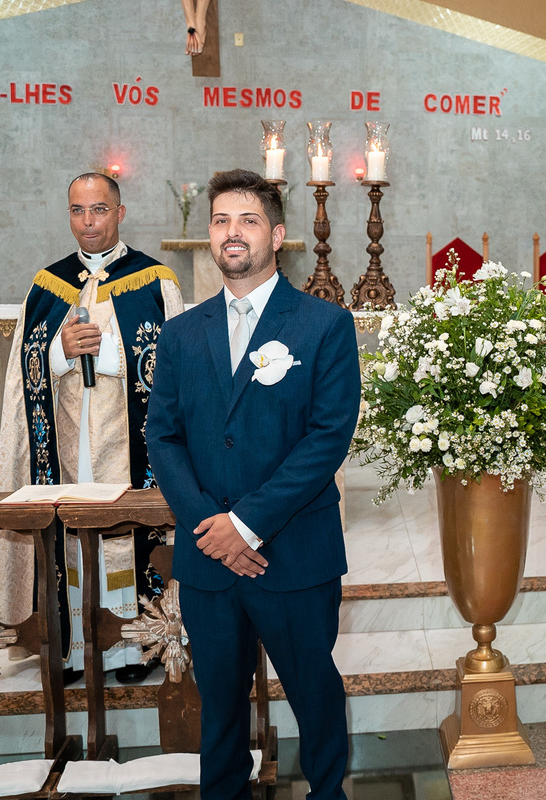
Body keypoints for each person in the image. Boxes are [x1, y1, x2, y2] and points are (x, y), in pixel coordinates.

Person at [146, 169, 359, 800]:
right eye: (220, 221)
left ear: (278, 234)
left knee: (313, 694)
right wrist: (210, 526)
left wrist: (246, 524)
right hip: (209, 558)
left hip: (292, 551)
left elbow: (327, 438)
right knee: (220, 712)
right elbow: (163, 436)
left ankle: (328, 793)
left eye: (247, 220)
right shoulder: (184, 332)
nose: (231, 233)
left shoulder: (323, 325)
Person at [0, 172, 184, 685]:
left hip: (127, 445)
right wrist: (59, 352)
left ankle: (135, 645)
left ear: (120, 212)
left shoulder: (153, 280)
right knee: (74, 543)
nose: (88, 221)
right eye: (78, 210)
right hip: (68, 448)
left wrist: (114, 356)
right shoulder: (48, 284)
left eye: (98, 209)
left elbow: (175, 365)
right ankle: (73, 651)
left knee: (126, 537)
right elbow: (24, 368)